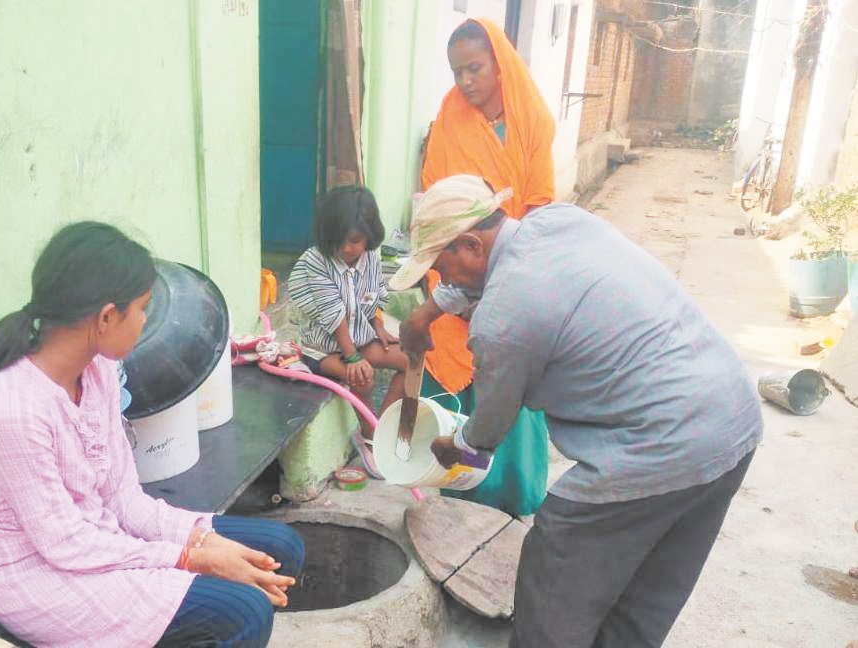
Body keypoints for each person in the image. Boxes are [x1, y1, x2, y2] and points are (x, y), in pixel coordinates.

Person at [392, 175, 763, 648]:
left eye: (443, 268)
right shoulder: (558, 221)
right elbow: (493, 272)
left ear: (469, 243)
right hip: (732, 421)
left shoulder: (500, 322)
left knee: (555, 577)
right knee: (644, 595)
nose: (444, 281)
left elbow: (485, 433)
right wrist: (428, 312)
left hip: (658, 442)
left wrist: (444, 454)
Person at [0, 222, 303, 648]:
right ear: (107, 317)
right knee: (244, 611)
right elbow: (65, 545)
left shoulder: (98, 372)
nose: (146, 321)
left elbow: (124, 501)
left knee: (280, 549)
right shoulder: (8, 407)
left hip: (99, 540)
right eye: (143, 308)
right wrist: (194, 559)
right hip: (38, 577)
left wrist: (207, 543)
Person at [408, 17, 556, 516]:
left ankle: (513, 496)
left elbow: (538, 205)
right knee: (462, 376)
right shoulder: (449, 120)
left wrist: (507, 283)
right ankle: (463, 490)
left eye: (475, 68)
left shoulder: (530, 118)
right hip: (459, 263)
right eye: (457, 73)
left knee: (512, 374)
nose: (466, 81)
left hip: (513, 258)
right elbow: (435, 204)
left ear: (500, 65)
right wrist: (454, 293)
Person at [288, 186, 408, 465]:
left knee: (411, 360)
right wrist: (352, 357)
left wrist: (378, 326)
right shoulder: (315, 261)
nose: (345, 248)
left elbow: (376, 294)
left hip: (360, 339)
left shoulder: (372, 260)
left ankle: (384, 428)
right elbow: (333, 313)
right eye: (338, 241)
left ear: (370, 234)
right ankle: (369, 439)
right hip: (323, 350)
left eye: (354, 240)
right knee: (361, 376)